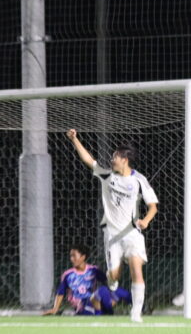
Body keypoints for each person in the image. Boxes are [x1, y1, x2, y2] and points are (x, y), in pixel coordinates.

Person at [66, 129, 158, 323]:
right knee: (114, 276)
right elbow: (89, 160)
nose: (111, 159)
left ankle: (136, 313)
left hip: (132, 233)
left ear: (125, 160)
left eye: (115, 157)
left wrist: (146, 221)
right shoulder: (107, 176)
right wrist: (75, 139)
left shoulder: (139, 180)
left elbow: (153, 206)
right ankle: (112, 277)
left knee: (136, 269)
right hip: (112, 235)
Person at [42, 244, 131, 316]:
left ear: (83, 257)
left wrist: (113, 273)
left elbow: (108, 283)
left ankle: (137, 309)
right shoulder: (68, 275)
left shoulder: (93, 270)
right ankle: (108, 313)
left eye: (74, 256)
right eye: (70, 256)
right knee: (102, 291)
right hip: (82, 305)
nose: (71, 259)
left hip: (95, 301)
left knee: (119, 291)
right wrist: (55, 308)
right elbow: (60, 292)